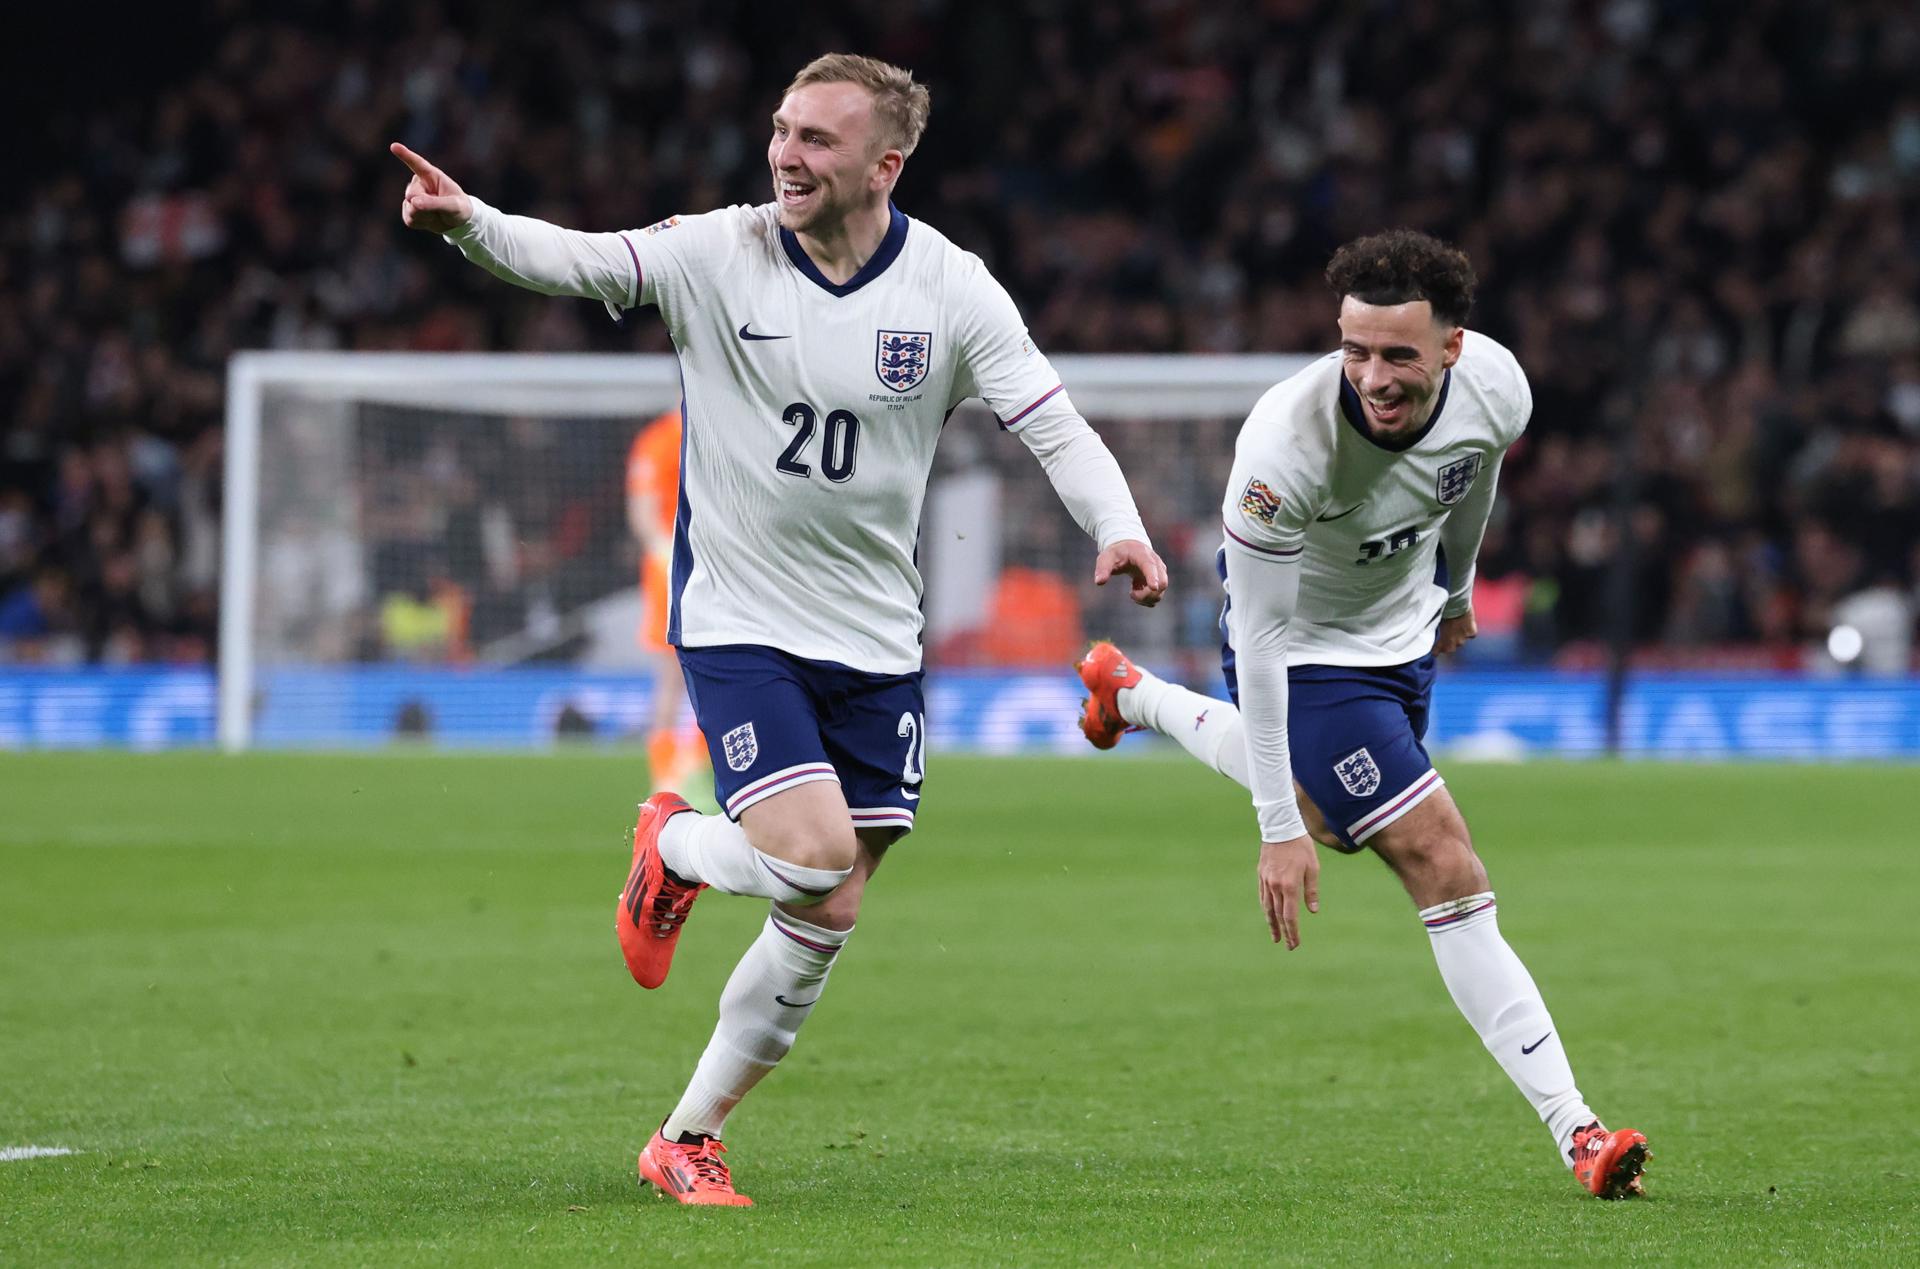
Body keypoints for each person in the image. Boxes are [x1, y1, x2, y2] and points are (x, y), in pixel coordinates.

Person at [393, 52, 1167, 1207]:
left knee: (835, 900)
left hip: (876, 637)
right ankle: (673, 851)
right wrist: (471, 225)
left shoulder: (950, 288)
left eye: (815, 139)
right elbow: (583, 260)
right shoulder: (723, 251)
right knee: (807, 858)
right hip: (741, 617)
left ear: (883, 165)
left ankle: (687, 1135)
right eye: (781, 130)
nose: (786, 156)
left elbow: (1048, 418)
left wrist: (1119, 525)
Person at [1075, 230, 1649, 1200]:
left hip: (1402, 633)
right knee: (1440, 859)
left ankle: (1129, 695)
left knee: (1343, 827)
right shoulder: (1280, 450)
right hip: (1304, 653)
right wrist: (1272, 829)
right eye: (1355, 351)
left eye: (1398, 356)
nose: (1373, 377)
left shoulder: (1498, 388)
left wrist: (1457, 586)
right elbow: (1255, 647)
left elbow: (1473, 477)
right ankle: (1578, 1130)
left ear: (1453, 349)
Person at [626, 408, 707, 792]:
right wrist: (668, 554)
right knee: (673, 673)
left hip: (717, 571)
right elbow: (642, 514)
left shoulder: (717, 431)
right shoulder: (658, 440)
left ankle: (698, 763)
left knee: (713, 669)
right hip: (671, 572)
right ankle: (667, 773)